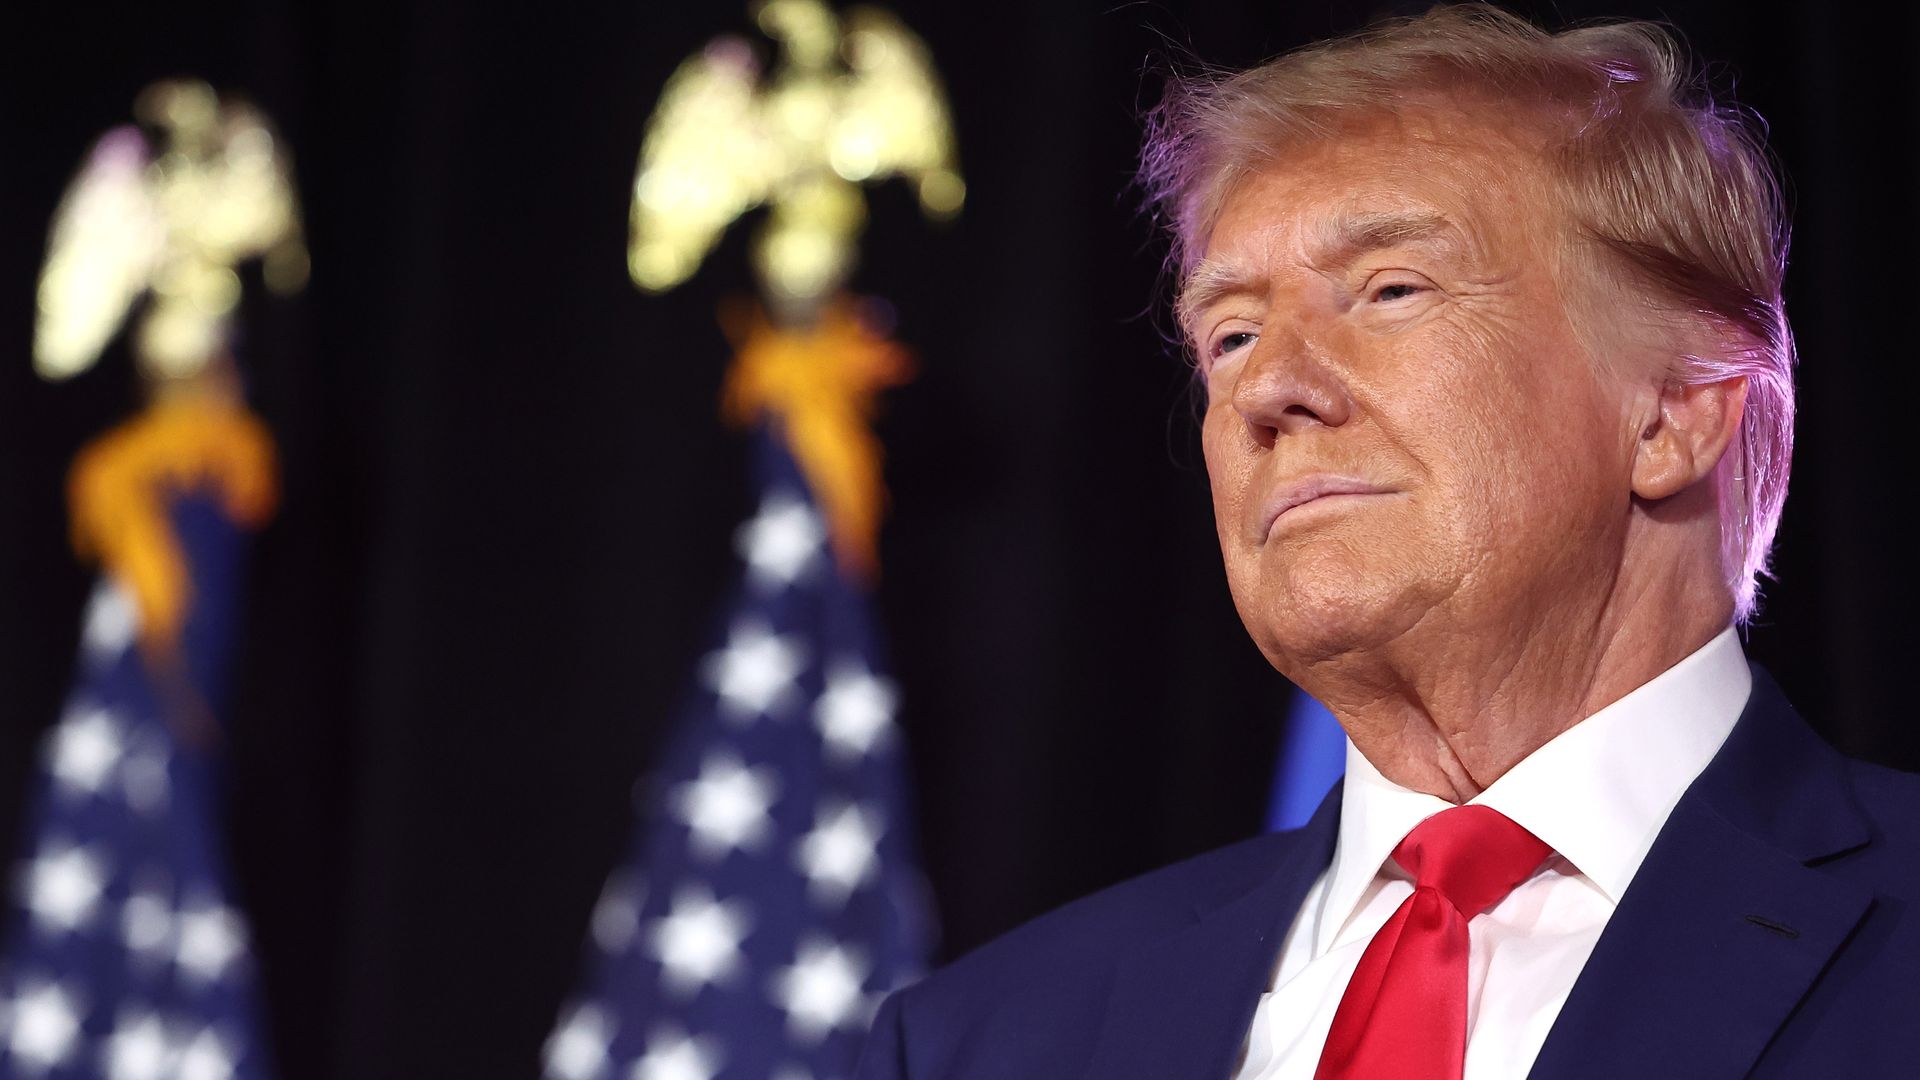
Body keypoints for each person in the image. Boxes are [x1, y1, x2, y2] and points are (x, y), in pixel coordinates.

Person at [855, 5, 1920, 1078]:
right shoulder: (976, 1043)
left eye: (1389, 290)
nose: (1266, 388)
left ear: (1674, 415)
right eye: (1229, 336)